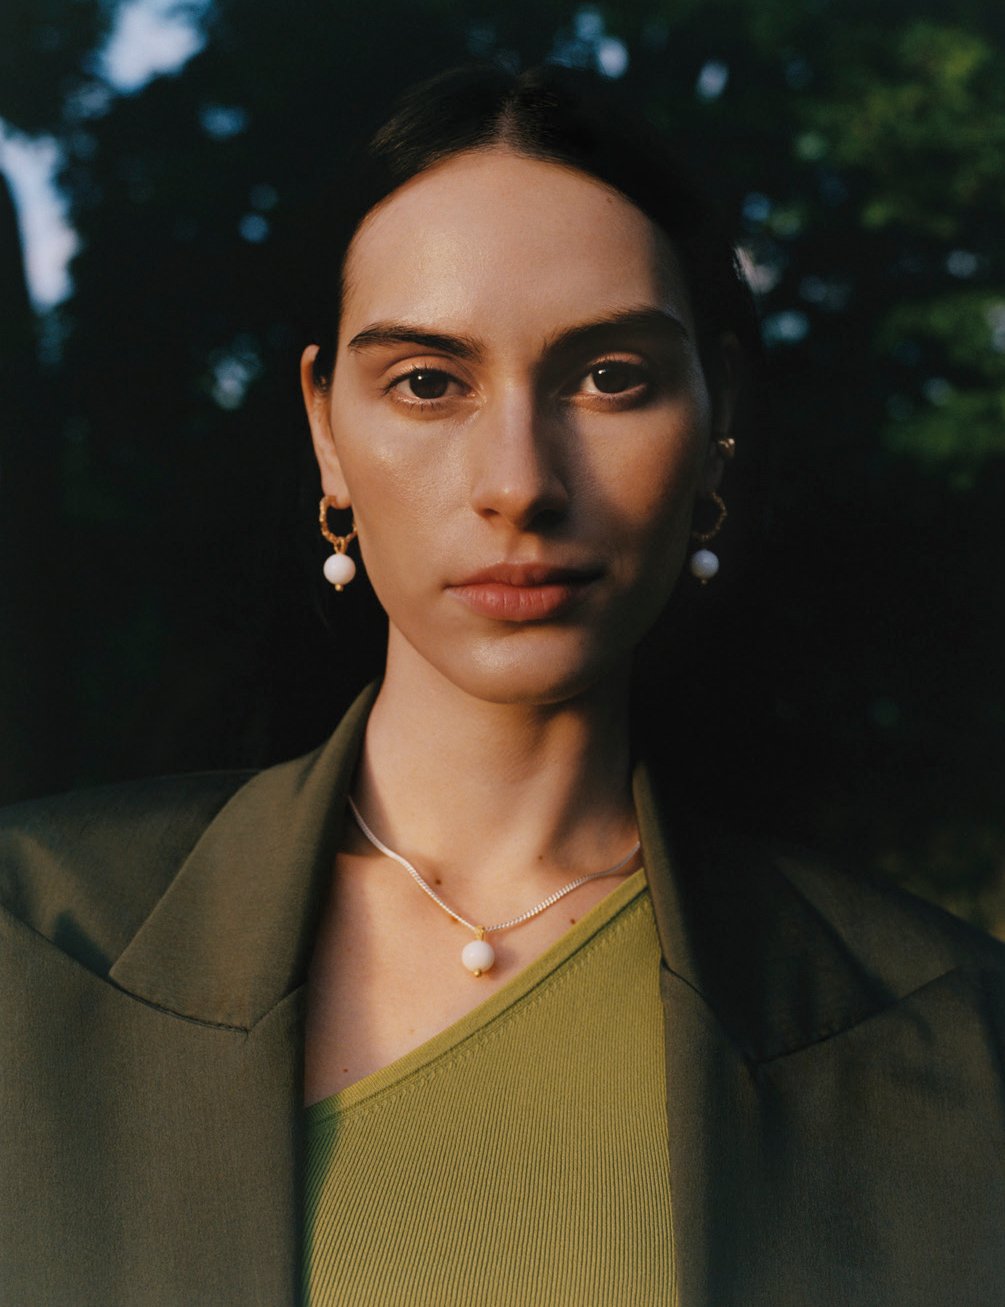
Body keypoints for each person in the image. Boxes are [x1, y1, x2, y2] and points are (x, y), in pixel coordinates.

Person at [1, 63, 1003, 1307]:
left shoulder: (948, 1032)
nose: (518, 480)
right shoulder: (30, 947)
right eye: (428, 381)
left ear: (717, 416)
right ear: (327, 428)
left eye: (610, 376)